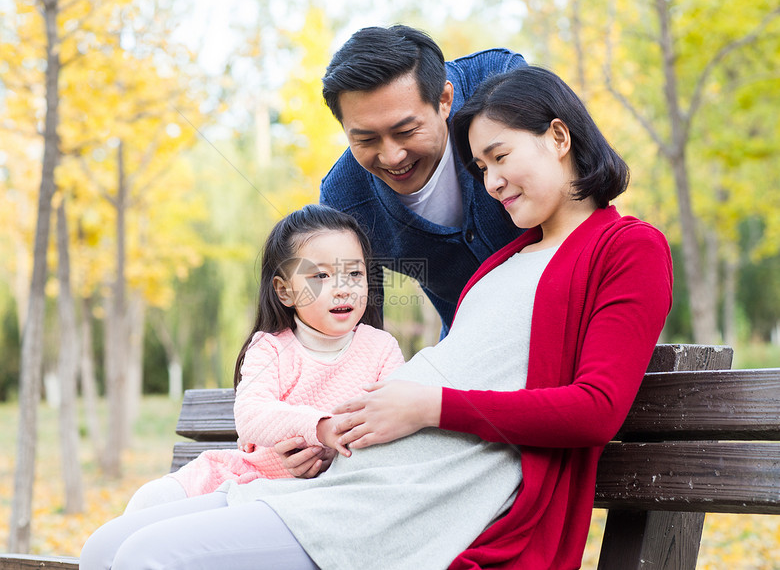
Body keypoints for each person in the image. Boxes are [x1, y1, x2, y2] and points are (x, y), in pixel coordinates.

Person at [81, 66, 673, 570]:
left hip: (416, 500)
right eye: (481, 168)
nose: (491, 183)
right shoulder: (505, 261)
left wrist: (425, 405)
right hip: (350, 475)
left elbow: (595, 408)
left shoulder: (626, 248)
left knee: (146, 557)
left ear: (559, 136)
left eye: (500, 158)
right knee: (105, 547)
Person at [120, 204, 405, 512]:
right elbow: (251, 414)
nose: (342, 289)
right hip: (254, 477)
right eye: (320, 275)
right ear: (285, 292)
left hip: (337, 493)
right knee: (149, 501)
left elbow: (394, 423)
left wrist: (335, 453)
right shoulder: (270, 348)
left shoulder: (381, 349)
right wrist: (321, 429)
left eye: (354, 273)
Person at [319, 25, 526, 336]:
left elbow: (582, 189)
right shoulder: (345, 200)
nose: (392, 157)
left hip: (581, 307)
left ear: (444, 100)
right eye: (366, 139)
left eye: (405, 132)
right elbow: (358, 330)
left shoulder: (499, 82)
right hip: (471, 345)